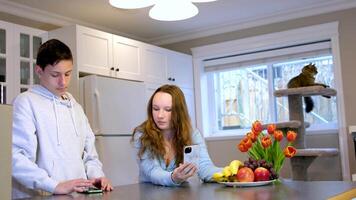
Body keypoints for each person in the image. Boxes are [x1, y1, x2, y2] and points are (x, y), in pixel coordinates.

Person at [12, 39, 113, 198]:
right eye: (55, 75)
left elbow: (89, 154)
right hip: (42, 195)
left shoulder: (76, 107)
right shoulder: (26, 102)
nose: (63, 82)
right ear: (39, 71)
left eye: (67, 74)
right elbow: (16, 158)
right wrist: (55, 185)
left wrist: (96, 176)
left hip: (77, 195)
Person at [132, 84, 221, 186]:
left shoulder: (192, 133)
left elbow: (205, 168)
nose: (160, 115)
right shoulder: (142, 134)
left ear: (179, 112)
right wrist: (173, 177)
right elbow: (152, 172)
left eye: (168, 110)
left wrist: (233, 173)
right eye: (156, 109)